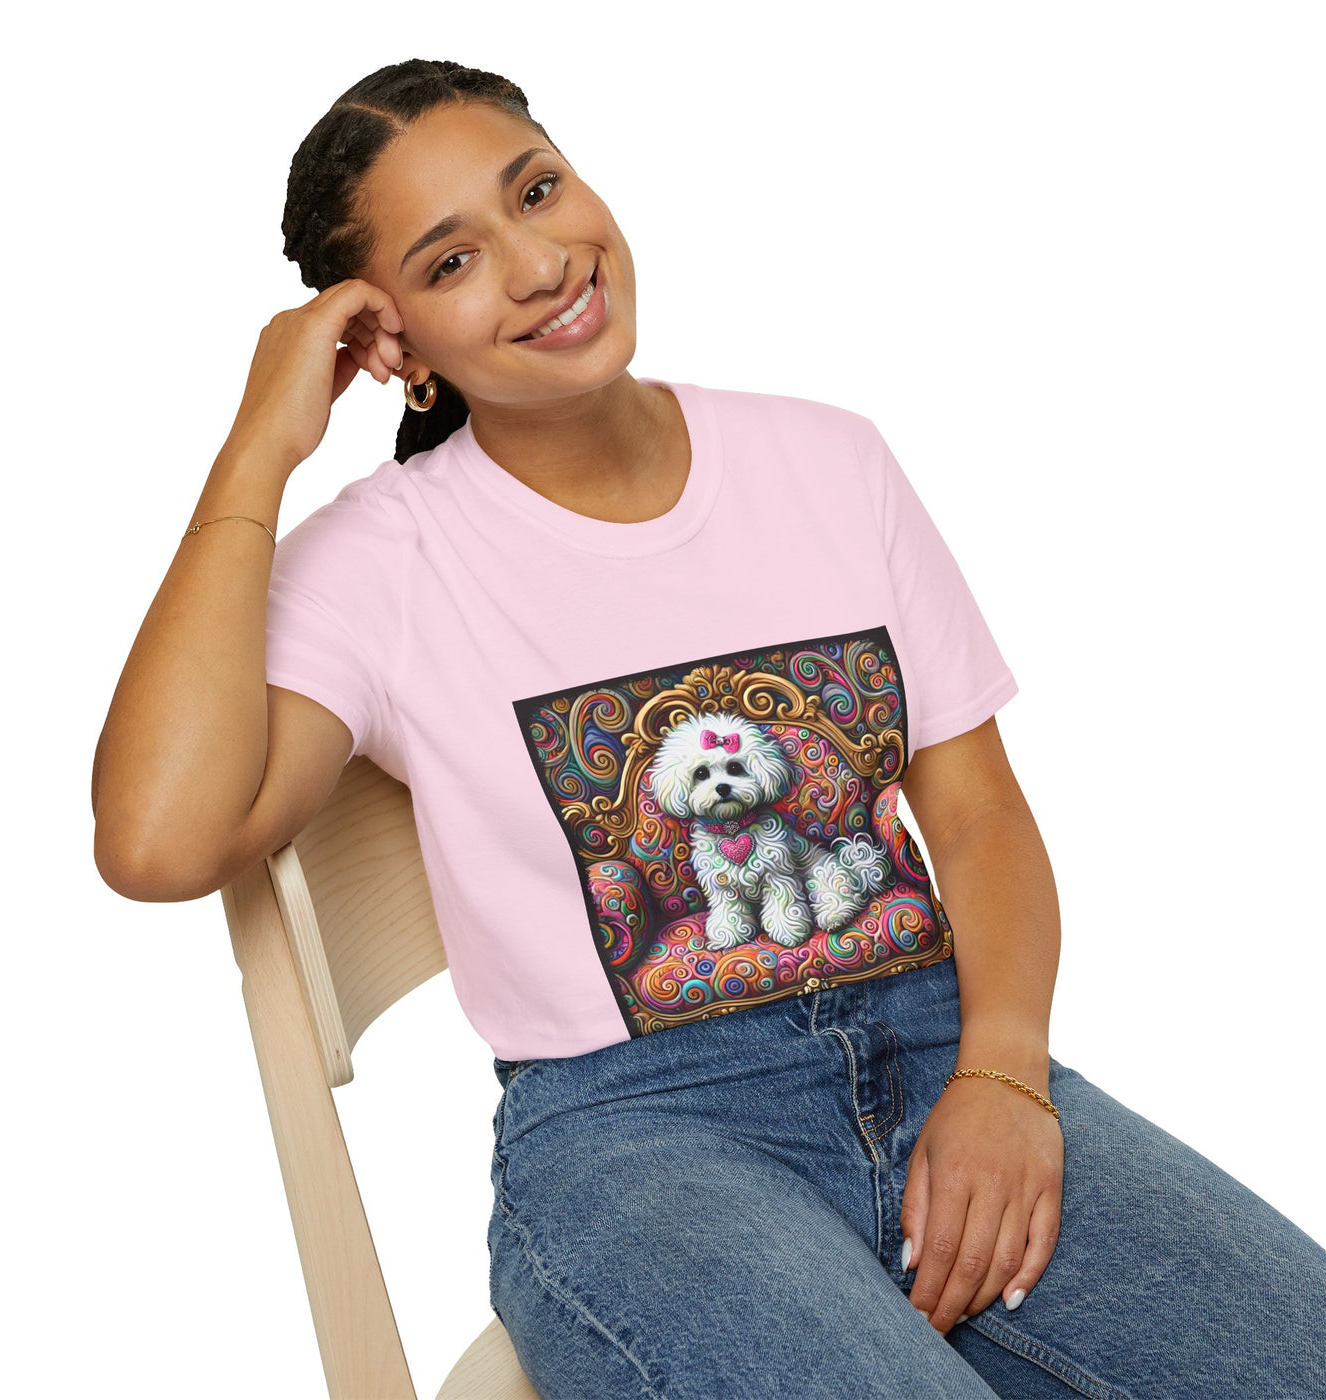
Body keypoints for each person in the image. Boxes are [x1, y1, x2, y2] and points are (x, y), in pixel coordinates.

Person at [91, 58, 1326, 1400]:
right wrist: (258, 448)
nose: (539, 264)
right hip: (641, 1140)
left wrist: (1006, 1076)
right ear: (397, 348)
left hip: (945, 1049)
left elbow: (977, 816)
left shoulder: (830, 461)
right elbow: (158, 842)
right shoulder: (385, 561)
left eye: (537, 191)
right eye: (452, 262)